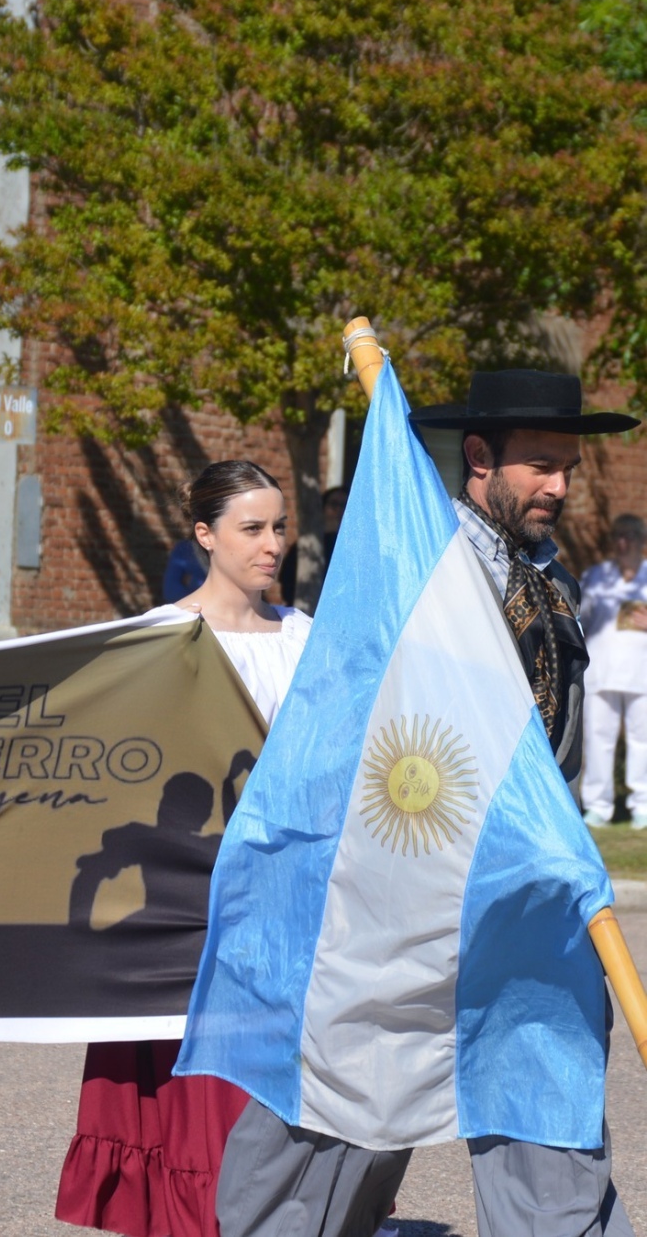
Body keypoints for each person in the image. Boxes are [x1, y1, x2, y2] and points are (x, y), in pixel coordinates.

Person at [206, 371, 638, 1237]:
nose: (559, 486)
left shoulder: (548, 580)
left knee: (546, 1118)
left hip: (531, 902)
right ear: (479, 458)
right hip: (405, 903)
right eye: (541, 467)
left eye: (568, 467)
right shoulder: (412, 572)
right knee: (335, 1123)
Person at [55, 460, 313, 1237]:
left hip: (284, 899)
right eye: (252, 529)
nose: (272, 545)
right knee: (189, 1099)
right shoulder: (157, 640)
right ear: (205, 535)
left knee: (270, 1094)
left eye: (279, 528)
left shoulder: (307, 639)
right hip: (180, 904)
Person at [580, 514, 647, 831]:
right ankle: (597, 806)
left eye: (631, 536)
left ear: (642, 541)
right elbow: (580, 619)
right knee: (597, 739)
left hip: (642, 674)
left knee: (643, 740)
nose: (625, 542)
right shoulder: (596, 577)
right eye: (619, 536)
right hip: (601, 670)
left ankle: (642, 806)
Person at [279, 484, 349, 607]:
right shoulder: (307, 546)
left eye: (344, 506)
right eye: (334, 505)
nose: (339, 511)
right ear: (323, 508)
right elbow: (287, 583)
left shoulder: (352, 548)